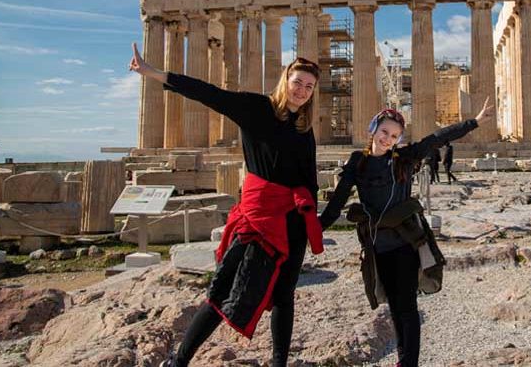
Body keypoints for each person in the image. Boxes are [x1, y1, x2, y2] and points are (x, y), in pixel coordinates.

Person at [129, 43, 323, 367]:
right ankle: (179, 361)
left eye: (309, 86)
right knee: (222, 292)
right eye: (298, 82)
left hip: (292, 223)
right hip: (258, 219)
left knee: (284, 297)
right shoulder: (256, 108)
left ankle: (279, 363)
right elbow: (210, 94)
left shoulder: (304, 129)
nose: (302, 90)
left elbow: (310, 180)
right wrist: (154, 73)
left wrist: (315, 221)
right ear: (285, 80)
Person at [319, 98, 495, 367]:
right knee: (395, 307)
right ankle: (404, 362)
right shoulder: (358, 162)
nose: (387, 139)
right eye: (384, 132)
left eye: (394, 136)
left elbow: (437, 138)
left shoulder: (404, 159)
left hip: (406, 243)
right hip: (377, 247)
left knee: (407, 307)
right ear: (373, 129)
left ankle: (408, 362)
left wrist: (475, 122)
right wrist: (314, 229)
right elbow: (337, 203)